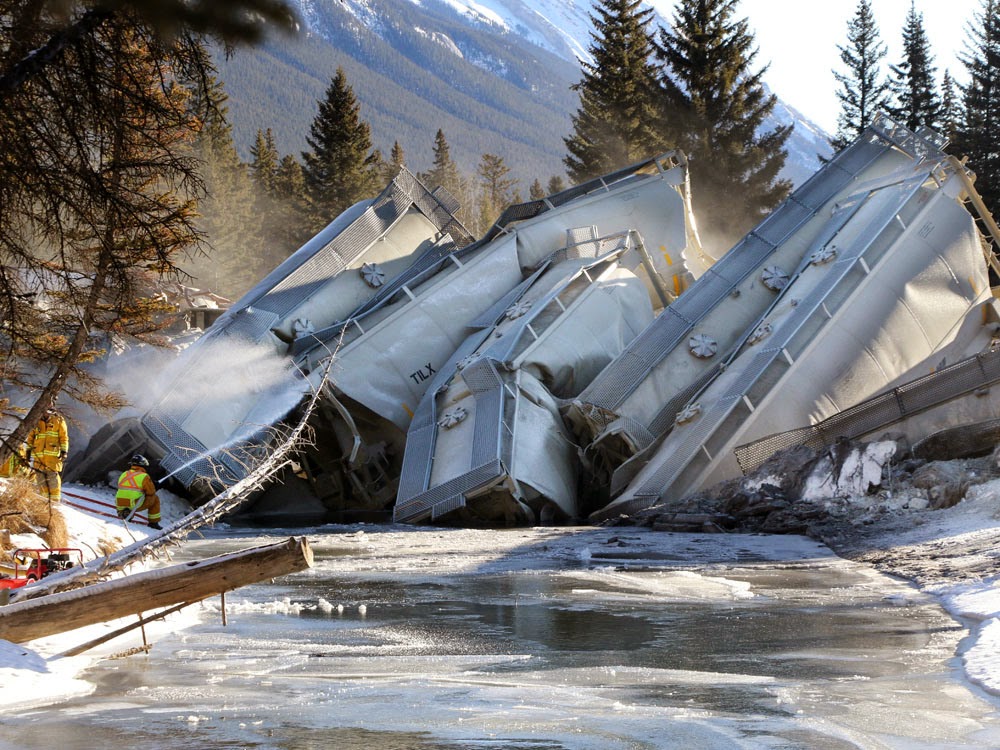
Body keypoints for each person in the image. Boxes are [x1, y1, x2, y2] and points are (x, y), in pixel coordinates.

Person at [26, 400, 68, 503]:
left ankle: (54, 503)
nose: (47, 413)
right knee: (41, 482)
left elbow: (64, 437)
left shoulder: (58, 420)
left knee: (53, 481)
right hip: (39, 458)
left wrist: (64, 451)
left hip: (53, 458)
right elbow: (31, 437)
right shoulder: (36, 421)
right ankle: (43, 503)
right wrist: (28, 451)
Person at [115, 454, 163, 530]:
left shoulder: (124, 474)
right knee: (155, 499)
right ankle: (153, 523)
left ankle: (123, 512)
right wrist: (155, 486)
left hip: (119, 503)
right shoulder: (144, 476)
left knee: (129, 496)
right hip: (133, 504)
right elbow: (151, 492)